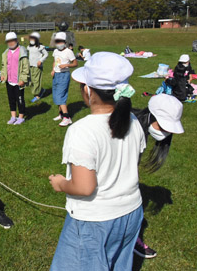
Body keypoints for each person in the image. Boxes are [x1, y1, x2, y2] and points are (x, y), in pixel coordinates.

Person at [49, 52, 144, 271]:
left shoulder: (82, 131)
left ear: (88, 91)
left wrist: (60, 183)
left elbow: (84, 187)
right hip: (131, 213)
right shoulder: (133, 120)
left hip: (95, 220)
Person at [132, 94, 184, 259]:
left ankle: (131, 238)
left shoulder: (143, 128)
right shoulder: (130, 129)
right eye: (164, 127)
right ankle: (129, 239)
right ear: (151, 115)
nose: (167, 133)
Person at [0, 32, 30, 125]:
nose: (10, 43)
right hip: (9, 81)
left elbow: (26, 67)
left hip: (19, 81)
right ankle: (13, 116)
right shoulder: (6, 53)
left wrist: (23, 79)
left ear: (16, 40)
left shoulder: (22, 52)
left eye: (12, 41)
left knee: (20, 99)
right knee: (11, 99)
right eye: (8, 41)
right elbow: (4, 66)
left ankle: (21, 117)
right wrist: (3, 74)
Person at [51, 32, 78, 127]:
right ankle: (61, 114)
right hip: (56, 75)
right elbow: (54, 61)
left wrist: (67, 65)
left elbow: (75, 63)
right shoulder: (55, 51)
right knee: (56, 95)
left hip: (64, 75)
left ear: (64, 42)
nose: (58, 43)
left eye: (60, 41)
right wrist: (53, 70)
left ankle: (67, 118)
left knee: (60, 95)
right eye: (57, 42)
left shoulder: (68, 52)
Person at [27, 31, 48, 103]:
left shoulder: (40, 47)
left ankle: (37, 95)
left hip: (37, 66)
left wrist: (41, 61)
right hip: (30, 65)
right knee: (31, 81)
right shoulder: (29, 47)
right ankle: (41, 90)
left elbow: (46, 54)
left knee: (36, 81)